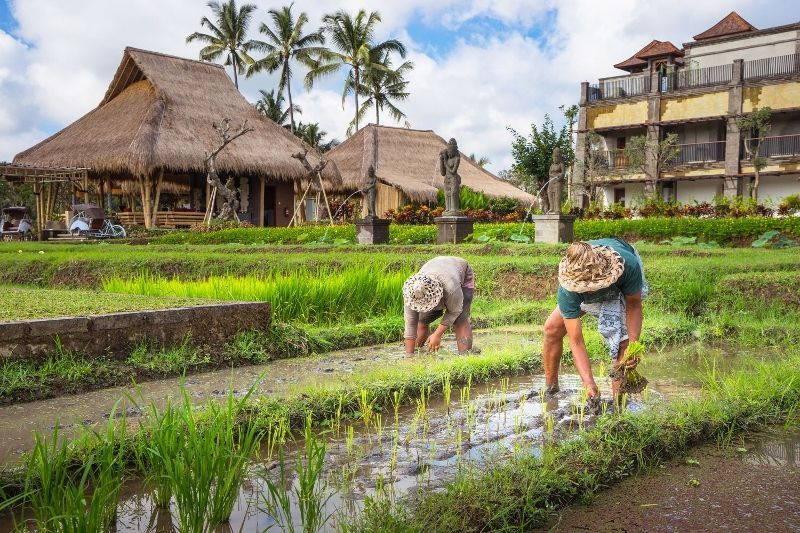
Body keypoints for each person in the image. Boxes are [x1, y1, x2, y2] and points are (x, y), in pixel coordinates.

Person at [542, 238, 648, 406]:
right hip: (583, 290)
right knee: (552, 329)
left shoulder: (627, 265)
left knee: (623, 342)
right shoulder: (569, 289)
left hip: (617, 288)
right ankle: (551, 389)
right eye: (588, 288)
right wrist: (588, 382)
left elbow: (634, 305)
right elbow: (576, 340)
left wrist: (633, 346)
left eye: (594, 286)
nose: (592, 290)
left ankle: (618, 408)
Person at [403, 256, 475, 354]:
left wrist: (437, 334)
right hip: (437, 268)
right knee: (422, 319)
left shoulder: (451, 288)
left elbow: (455, 311)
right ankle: (417, 353)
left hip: (459, 273)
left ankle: (465, 356)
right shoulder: (412, 292)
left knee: (460, 319)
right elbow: (410, 325)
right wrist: (409, 356)